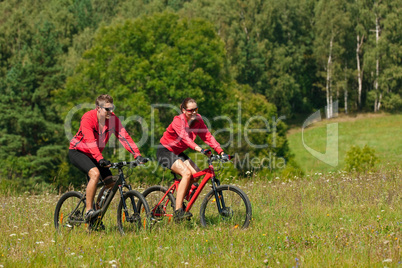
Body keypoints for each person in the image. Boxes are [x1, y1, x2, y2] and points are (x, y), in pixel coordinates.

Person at [69, 94, 145, 221]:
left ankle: (97, 213)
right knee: (95, 174)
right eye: (107, 109)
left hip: (95, 155)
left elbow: (124, 137)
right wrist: (99, 159)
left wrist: (137, 155)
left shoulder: (113, 120)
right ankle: (88, 211)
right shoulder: (88, 118)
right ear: (98, 108)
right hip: (78, 152)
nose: (111, 111)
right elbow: (90, 141)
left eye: (112, 108)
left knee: (111, 183)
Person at [156, 98, 228, 221]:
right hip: (165, 151)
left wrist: (221, 152)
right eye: (191, 110)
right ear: (183, 110)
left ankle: (183, 195)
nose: (194, 112)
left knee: (196, 173)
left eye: (196, 109)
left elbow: (207, 136)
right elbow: (185, 139)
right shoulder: (178, 121)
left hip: (178, 152)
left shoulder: (198, 120)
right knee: (186, 173)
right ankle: (178, 211)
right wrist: (200, 150)